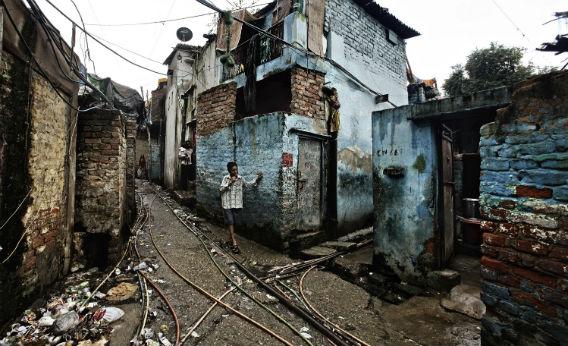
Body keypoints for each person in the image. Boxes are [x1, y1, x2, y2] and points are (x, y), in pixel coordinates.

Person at [219, 161, 262, 254]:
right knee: (230, 222)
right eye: (233, 170)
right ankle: (234, 242)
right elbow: (221, 189)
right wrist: (229, 183)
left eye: (236, 169)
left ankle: (229, 240)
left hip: (236, 204)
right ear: (229, 170)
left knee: (233, 223)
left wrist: (256, 179)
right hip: (227, 204)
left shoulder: (240, 179)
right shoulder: (225, 178)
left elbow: (248, 185)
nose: (235, 171)